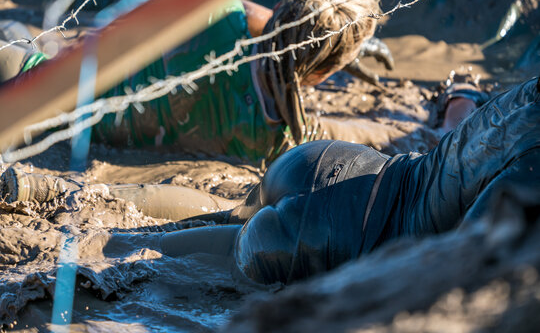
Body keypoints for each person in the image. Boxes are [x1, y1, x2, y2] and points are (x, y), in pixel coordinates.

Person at [2, 77, 538, 285]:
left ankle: (47, 195)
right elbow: (471, 259)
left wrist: (458, 95)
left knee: (222, 211)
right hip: (343, 231)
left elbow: (467, 129)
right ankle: (80, 241)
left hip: (333, 164)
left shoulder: (527, 99)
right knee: (181, 251)